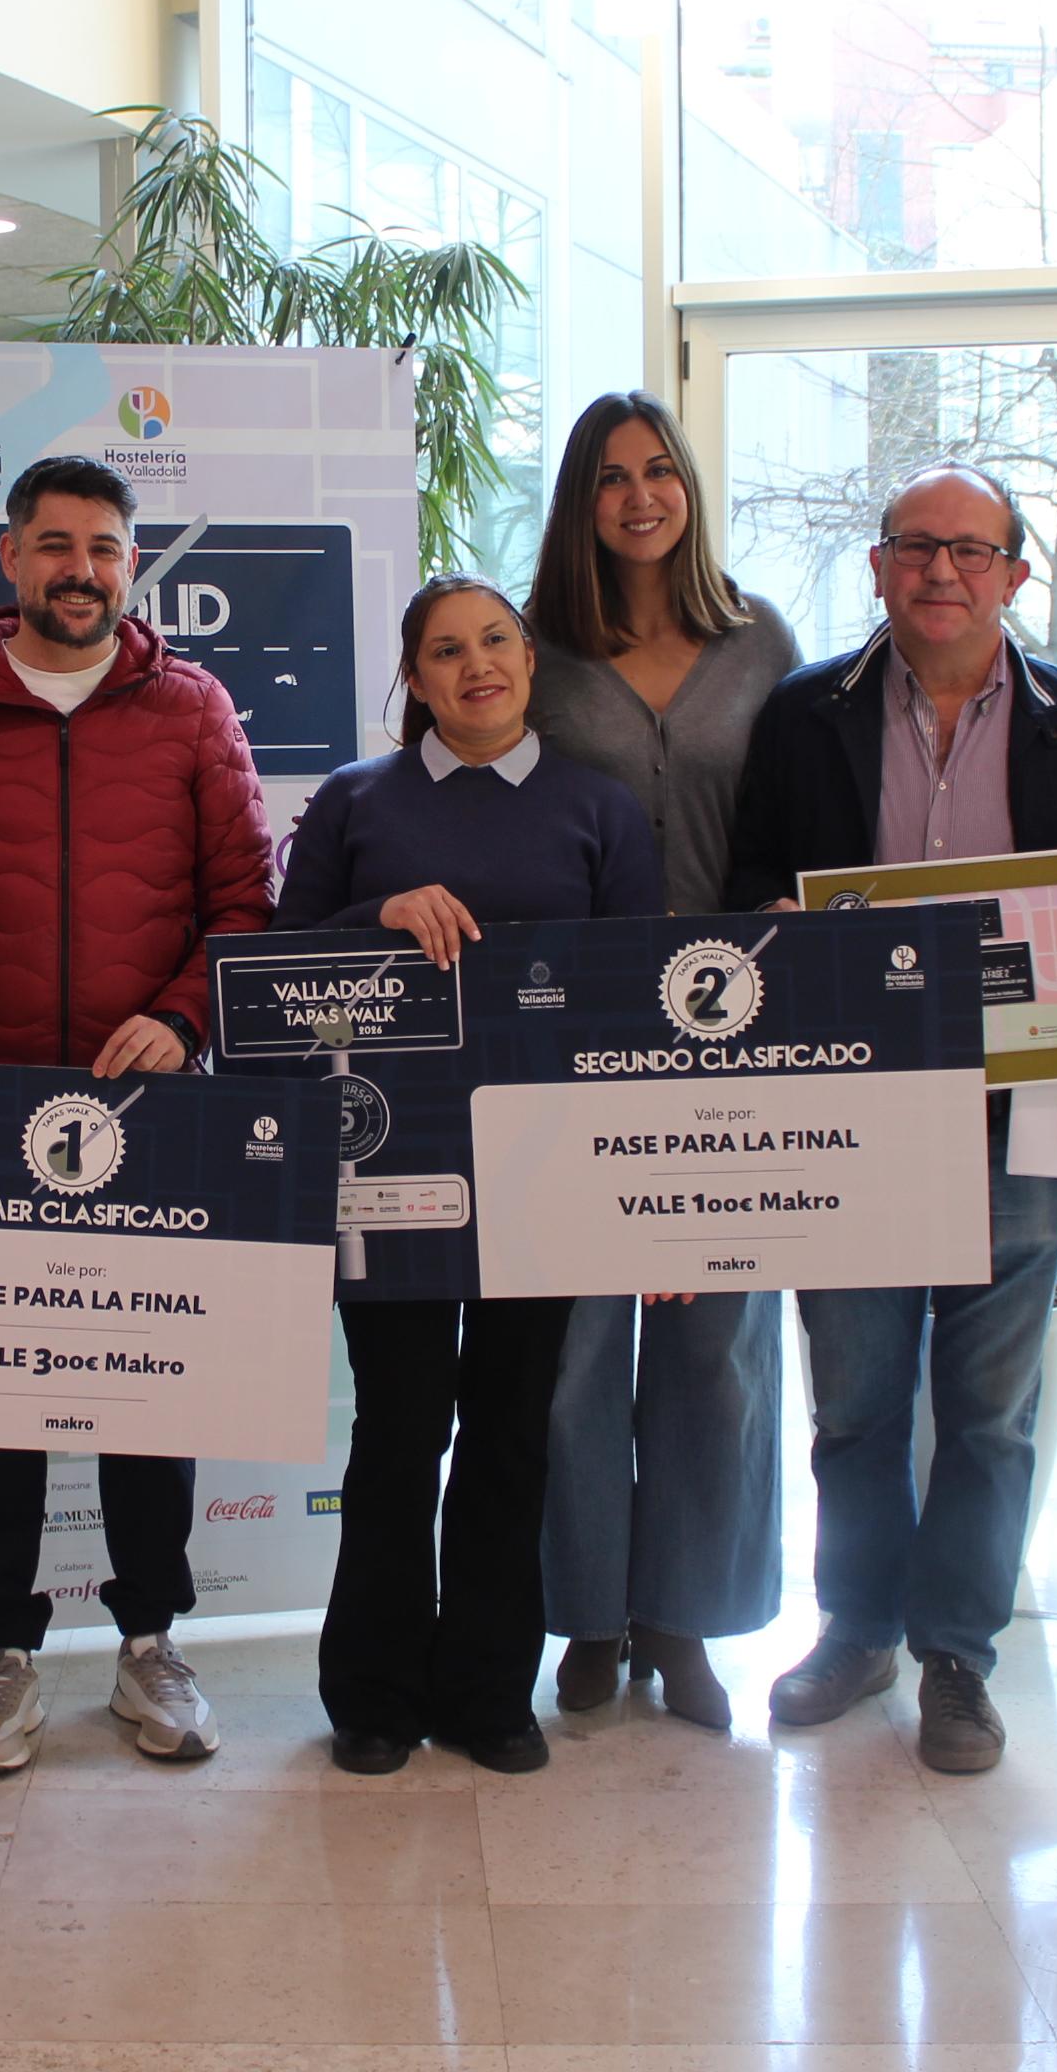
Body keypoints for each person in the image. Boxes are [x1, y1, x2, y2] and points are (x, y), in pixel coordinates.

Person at [0, 453, 276, 1775]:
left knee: (147, 1387)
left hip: (152, 1106)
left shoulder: (193, 709)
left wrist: (185, 1020)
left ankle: (150, 1644)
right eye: (57, 544)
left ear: (132, 566)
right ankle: (3, 1654)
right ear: (11, 557)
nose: (82, 570)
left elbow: (243, 904)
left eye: (105, 549)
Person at [722, 464, 1057, 1774]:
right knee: (854, 1396)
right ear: (879, 566)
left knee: (990, 1405)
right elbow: (750, 878)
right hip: (852, 1105)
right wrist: (772, 931)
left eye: (972, 550)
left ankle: (958, 1653)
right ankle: (856, 1628)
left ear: (1017, 573)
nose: (942, 571)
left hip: (1024, 1104)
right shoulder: (805, 715)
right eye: (917, 546)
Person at [276, 574, 662, 1774]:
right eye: (446, 650)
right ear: (414, 677)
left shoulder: (601, 810)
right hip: (385, 1173)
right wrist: (376, 917)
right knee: (398, 1428)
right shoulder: (354, 802)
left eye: (496, 641)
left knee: (511, 1427)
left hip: (548, 1174)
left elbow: (641, 1004)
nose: (476, 665)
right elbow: (274, 978)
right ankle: (374, 1695)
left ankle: (492, 1693)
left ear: (531, 661)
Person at [521, 390, 803, 1728]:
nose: (640, 497)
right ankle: (586, 1614)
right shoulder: (531, 650)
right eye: (611, 478)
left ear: (688, 486)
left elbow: (803, 820)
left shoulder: (761, 642)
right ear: (581, 503)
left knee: (719, 1345)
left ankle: (684, 1617)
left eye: (659, 472)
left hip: (737, 1034)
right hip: (572, 1035)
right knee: (573, 1346)